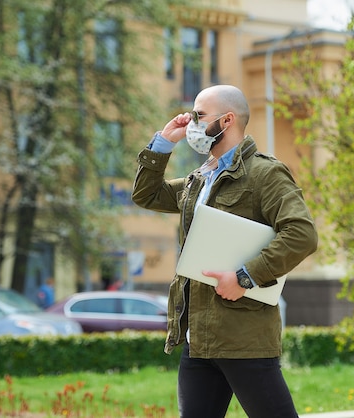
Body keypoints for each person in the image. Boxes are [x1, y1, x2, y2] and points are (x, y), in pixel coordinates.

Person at [131, 84, 318, 418]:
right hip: (198, 342)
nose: (191, 124)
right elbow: (146, 195)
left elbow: (301, 234)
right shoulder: (199, 180)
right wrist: (163, 142)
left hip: (244, 340)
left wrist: (244, 277)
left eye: (199, 116)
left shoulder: (264, 174)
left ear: (227, 120)